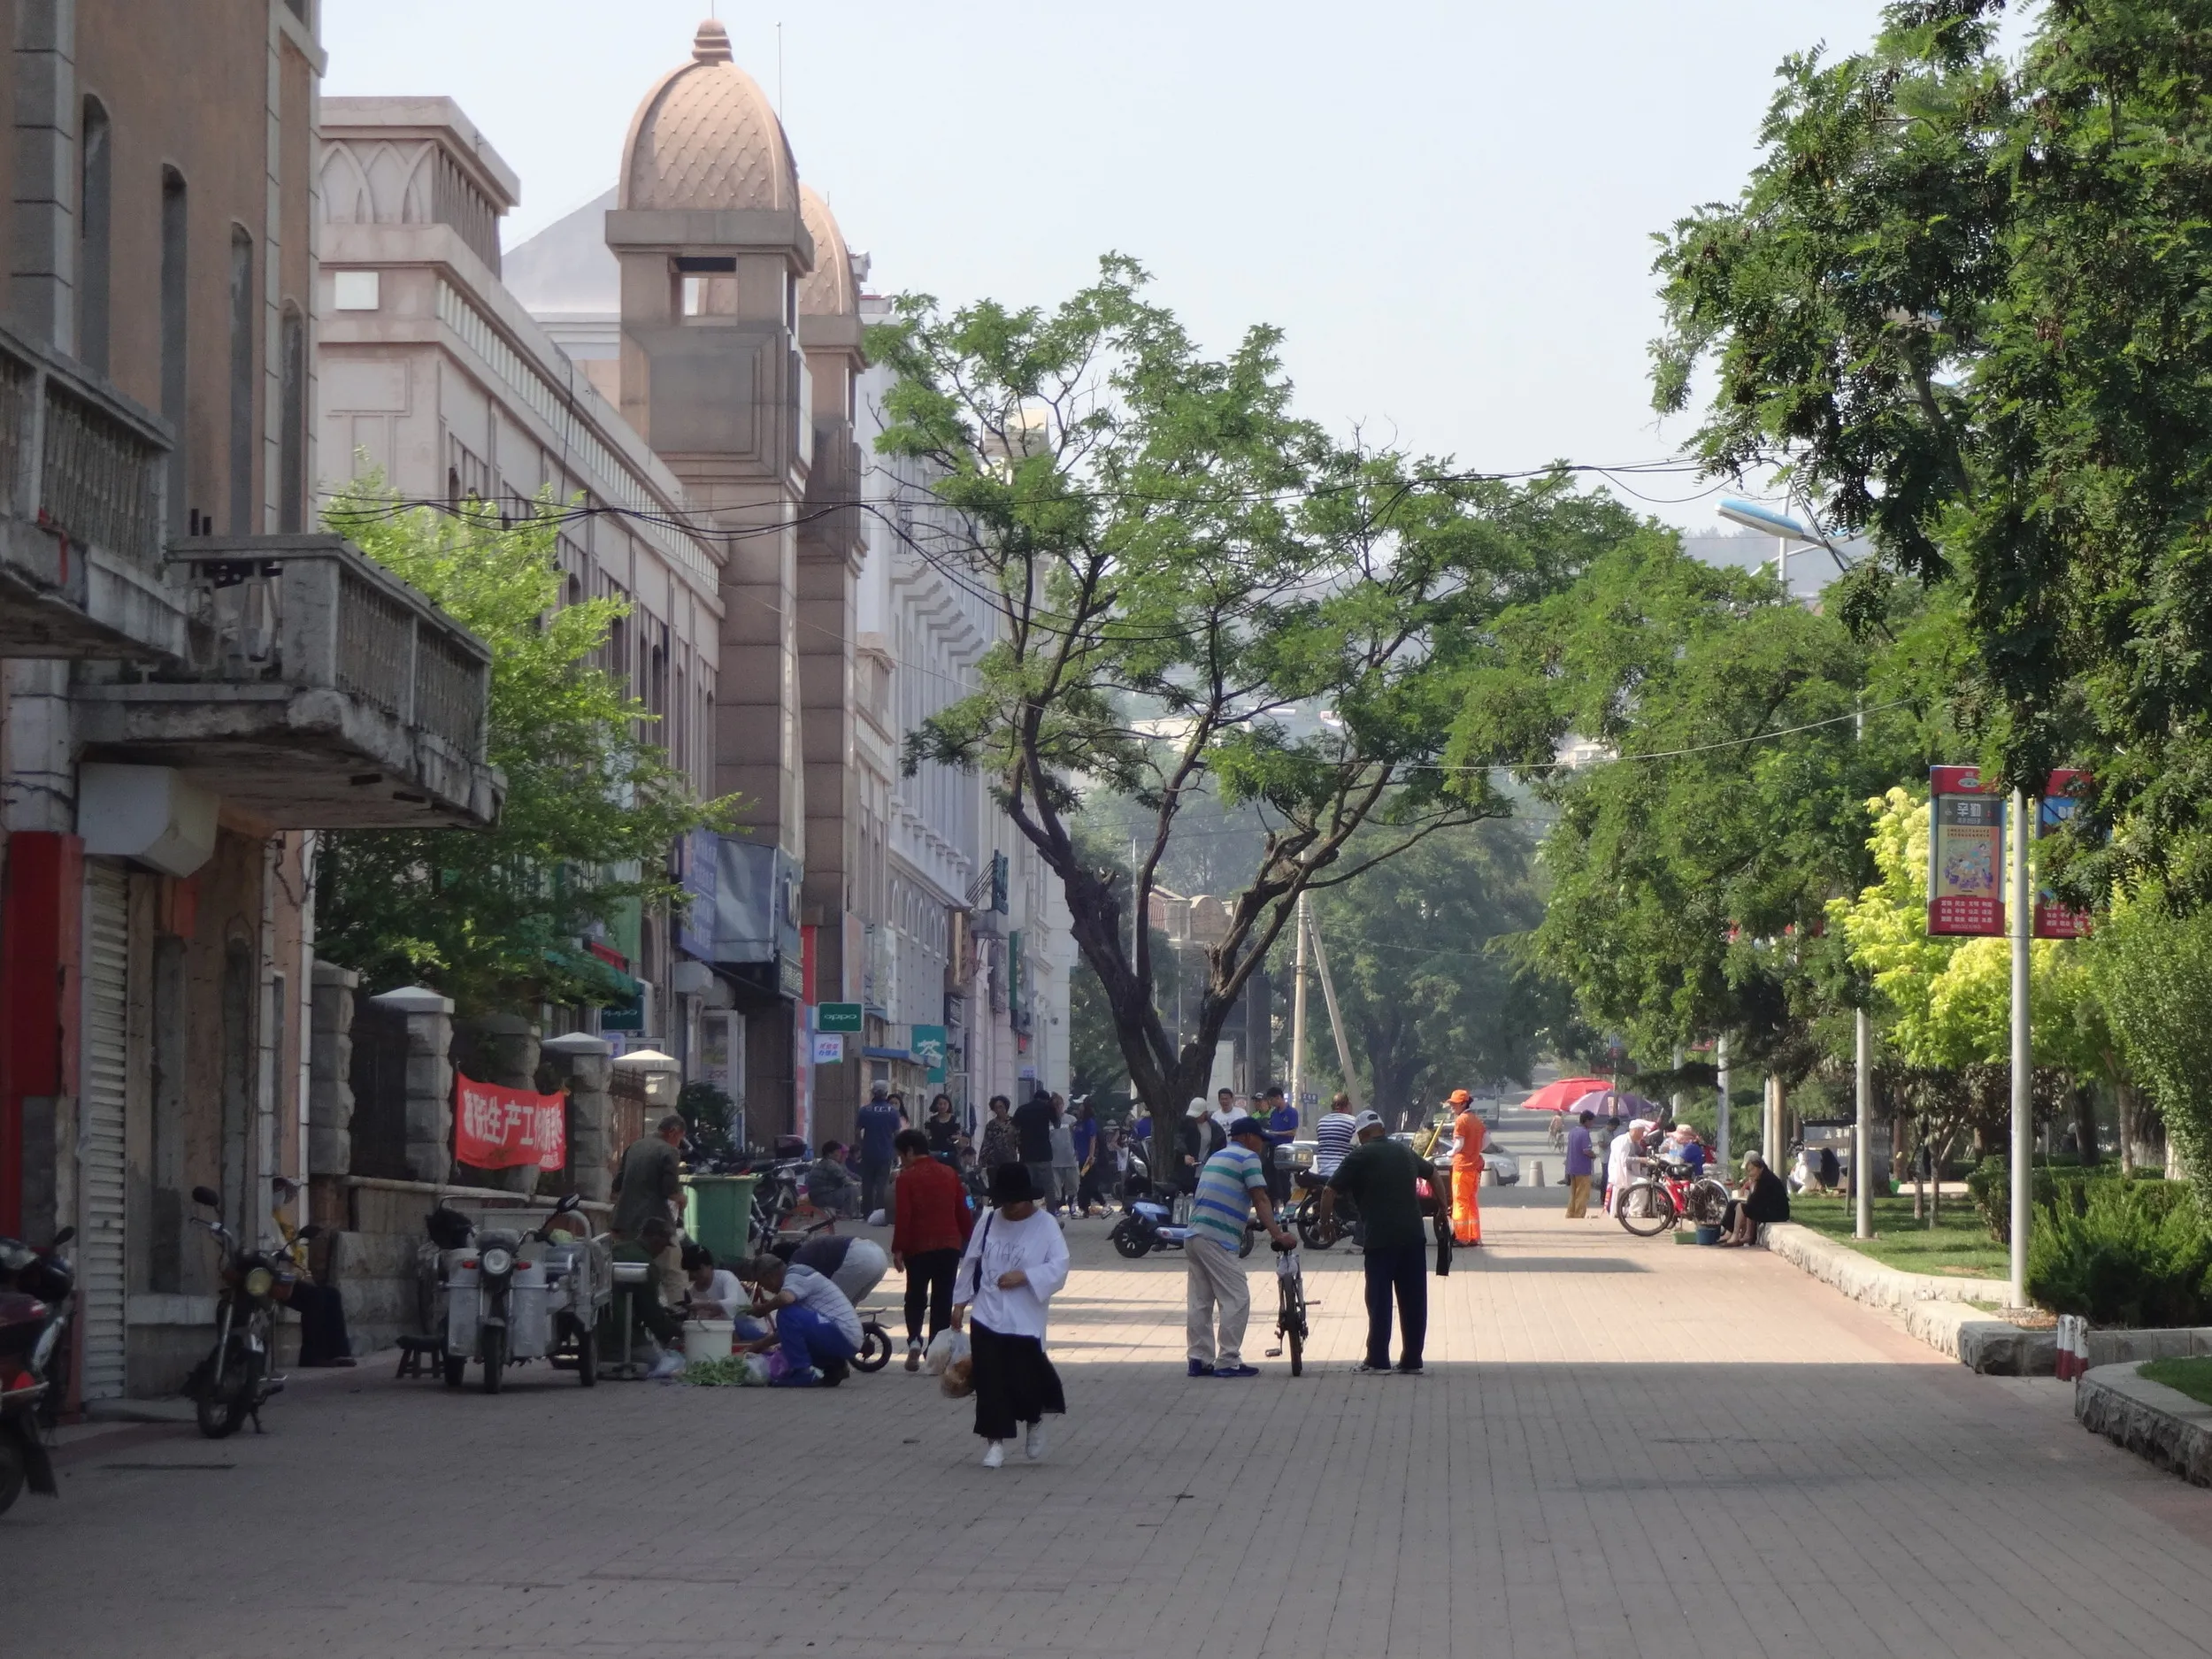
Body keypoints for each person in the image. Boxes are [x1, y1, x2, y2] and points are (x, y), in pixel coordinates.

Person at [953, 1163, 1071, 1467]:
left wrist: (1026, 1277)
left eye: (1015, 1203)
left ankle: (1034, 1421)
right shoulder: (989, 1221)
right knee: (990, 1380)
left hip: (1025, 1317)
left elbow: (1060, 1266)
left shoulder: (1045, 1226)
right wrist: (959, 1302)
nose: (1010, 1209)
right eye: (1004, 1202)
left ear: (1028, 1200)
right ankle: (995, 1443)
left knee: (1024, 1379)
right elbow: (971, 1260)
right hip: (987, 1313)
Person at [1319, 1111, 1434, 1374]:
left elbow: (1328, 1190)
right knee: (1414, 1300)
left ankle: (1378, 1360)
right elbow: (1433, 1175)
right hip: (1413, 1237)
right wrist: (1441, 1208)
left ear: (1362, 1134)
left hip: (1380, 1239)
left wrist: (1326, 1224)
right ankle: (1412, 1360)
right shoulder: (1403, 1151)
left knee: (1379, 1299)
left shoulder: (1360, 1155)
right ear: (1381, 1128)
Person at [1186, 1115, 1297, 1379]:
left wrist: (1245, 1220)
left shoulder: (1217, 1157)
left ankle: (1198, 1359)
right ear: (1247, 1137)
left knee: (1200, 1301)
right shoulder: (1248, 1158)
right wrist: (1277, 1234)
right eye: (1259, 1138)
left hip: (1195, 1234)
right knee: (1237, 1296)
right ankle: (1228, 1360)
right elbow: (1260, 1197)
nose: (1262, 1144)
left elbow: (1223, 1195)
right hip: (1216, 1239)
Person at [892, 1126, 973, 1370]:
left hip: (918, 1246)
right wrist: (970, 1239)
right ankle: (935, 1352)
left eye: (900, 1156)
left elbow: (904, 1216)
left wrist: (898, 1249)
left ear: (908, 1152)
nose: (901, 1161)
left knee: (915, 1296)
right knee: (943, 1298)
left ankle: (915, 1341)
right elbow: (963, 1209)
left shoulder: (905, 1178)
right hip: (949, 1244)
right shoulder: (950, 1174)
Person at [740, 1252, 863, 1388]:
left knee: (785, 1313)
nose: (765, 1289)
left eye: (763, 1284)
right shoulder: (796, 1282)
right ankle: (834, 1367)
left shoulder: (796, 1275)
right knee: (789, 1335)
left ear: (769, 1277)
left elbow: (785, 1299)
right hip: (844, 1337)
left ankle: (803, 1374)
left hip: (843, 1334)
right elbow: (789, 1332)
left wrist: (763, 1309)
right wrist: (760, 1344)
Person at [611, 1111, 686, 1238]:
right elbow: (670, 1190)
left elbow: (617, 1186)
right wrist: (682, 1199)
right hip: (651, 1228)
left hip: (621, 1222)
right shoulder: (669, 1151)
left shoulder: (635, 1146)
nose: (679, 1144)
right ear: (673, 1132)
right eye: (680, 1138)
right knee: (673, 1252)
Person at [855, 1081, 905, 1219]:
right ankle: (879, 1213)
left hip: (868, 1151)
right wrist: (897, 1152)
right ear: (886, 1094)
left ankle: (866, 1213)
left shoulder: (865, 1110)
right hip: (885, 1152)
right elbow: (897, 1134)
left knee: (867, 1183)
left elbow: (858, 1131)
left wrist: (862, 1144)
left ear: (873, 1092)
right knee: (882, 1184)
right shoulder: (893, 1112)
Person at [1721, 1150, 1792, 1244]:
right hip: (1769, 1209)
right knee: (1733, 1204)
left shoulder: (1766, 1180)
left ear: (1760, 1168)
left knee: (1740, 1207)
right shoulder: (1761, 1178)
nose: (1750, 1173)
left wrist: (1753, 1185)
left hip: (1777, 1214)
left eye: (1752, 1170)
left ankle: (1736, 1235)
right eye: (1749, 1171)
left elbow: (1753, 1201)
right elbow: (1754, 1200)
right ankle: (1731, 1234)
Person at [1447, 1088, 1486, 1247]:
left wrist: (1450, 1153)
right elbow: (1487, 1140)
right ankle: (1474, 1236)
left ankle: (1461, 1236)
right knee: (1471, 1202)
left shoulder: (1461, 1120)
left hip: (1462, 1167)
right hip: (1474, 1167)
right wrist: (1476, 1151)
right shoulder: (1476, 1120)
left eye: (1454, 1105)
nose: (1452, 1107)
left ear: (1463, 1104)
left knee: (1460, 1202)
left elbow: (1459, 1143)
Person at [1013, 1087, 1057, 1203]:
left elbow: (1012, 1130)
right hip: (1044, 1154)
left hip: (1026, 1154)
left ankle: (1028, 1214)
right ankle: (1051, 1214)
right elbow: (1057, 1124)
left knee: (1027, 1186)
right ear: (1046, 1100)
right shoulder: (1048, 1108)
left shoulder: (1022, 1109)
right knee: (1049, 1188)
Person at [1262, 1084, 1300, 1206]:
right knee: (1271, 1178)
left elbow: (1293, 1131)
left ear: (1278, 1097)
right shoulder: (1274, 1113)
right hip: (1273, 1149)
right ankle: (1274, 1206)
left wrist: (1277, 1133)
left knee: (1283, 1178)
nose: (1271, 1103)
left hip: (1285, 1150)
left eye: (1271, 1100)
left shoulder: (1291, 1112)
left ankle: (1287, 1204)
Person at [807, 1140, 859, 1217]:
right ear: (829, 1154)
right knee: (852, 1189)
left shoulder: (822, 1163)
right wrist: (858, 1184)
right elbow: (846, 1180)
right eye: (837, 1152)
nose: (840, 1154)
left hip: (815, 1197)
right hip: (823, 1198)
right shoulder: (831, 1164)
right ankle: (848, 1214)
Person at [1048, 1101, 1080, 1218]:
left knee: (1073, 1184)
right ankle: (1056, 1207)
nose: (1058, 1108)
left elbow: (1079, 1137)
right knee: (1055, 1187)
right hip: (1054, 1160)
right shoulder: (1049, 1121)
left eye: (1059, 1105)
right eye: (1055, 1105)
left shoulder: (1071, 1120)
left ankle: (1072, 1206)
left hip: (1070, 1158)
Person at [1563, 1110, 1598, 1219]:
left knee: (1573, 1193)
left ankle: (1570, 1213)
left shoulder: (1573, 1131)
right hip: (1582, 1168)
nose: (1592, 1124)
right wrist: (1593, 1155)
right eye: (1592, 1122)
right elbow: (1586, 1150)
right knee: (1583, 1193)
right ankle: (1578, 1214)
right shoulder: (1584, 1133)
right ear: (1587, 1121)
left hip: (1572, 1166)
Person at [978, 1094, 1018, 1176]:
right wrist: (981, 1162)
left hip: (1010, 1161)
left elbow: (1019, 1141)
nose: (999, 1110)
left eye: (1001, 1107)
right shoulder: (991, 1124)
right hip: (993, 1162)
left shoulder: (1014, 1122)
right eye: (996, 1107)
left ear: (1006, 1107)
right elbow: (986, 1143)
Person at [924, 1094, 963, 1166]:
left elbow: (959, 1136)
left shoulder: (954, 1120)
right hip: (935, 1153)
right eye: (940, 1104)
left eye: (945, 1104)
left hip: (949, 1153)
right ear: (936, 1105)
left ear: (949, 1105)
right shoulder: (931, 1120)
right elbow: (926, 1137)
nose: (942, 1106)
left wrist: (955, 1140)